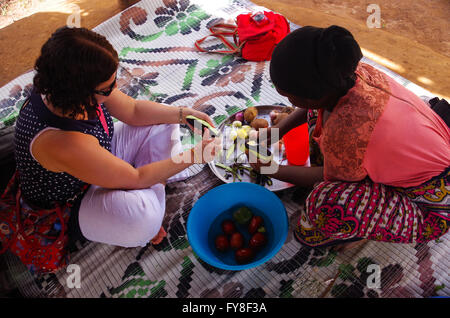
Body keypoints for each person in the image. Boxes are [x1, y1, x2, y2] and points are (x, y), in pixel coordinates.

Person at [12, 26, 218, 250]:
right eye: (108, 88)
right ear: (80, 93)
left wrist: (183, 114)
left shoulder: (64, 89)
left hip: (96, 157)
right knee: (142, 221)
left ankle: (150, 185)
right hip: (72, 200)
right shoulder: (60, 142)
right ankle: (147, 195)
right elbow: (136, 177)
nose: (115, 89)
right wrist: (193, 156)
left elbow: (133, 111)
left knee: (163, 121)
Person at [251, 25, 450, 249]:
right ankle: (364, 183)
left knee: (325, 204)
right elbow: (314, 106)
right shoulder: (352, 73)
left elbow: (326, 178)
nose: (288, 103)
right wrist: (276, 131)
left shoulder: (349, 132)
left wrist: (271, 169)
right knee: (317, 124)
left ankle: (358, 231)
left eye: (289, 97)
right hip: (431, 151)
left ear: (313, 97)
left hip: (433, 206)